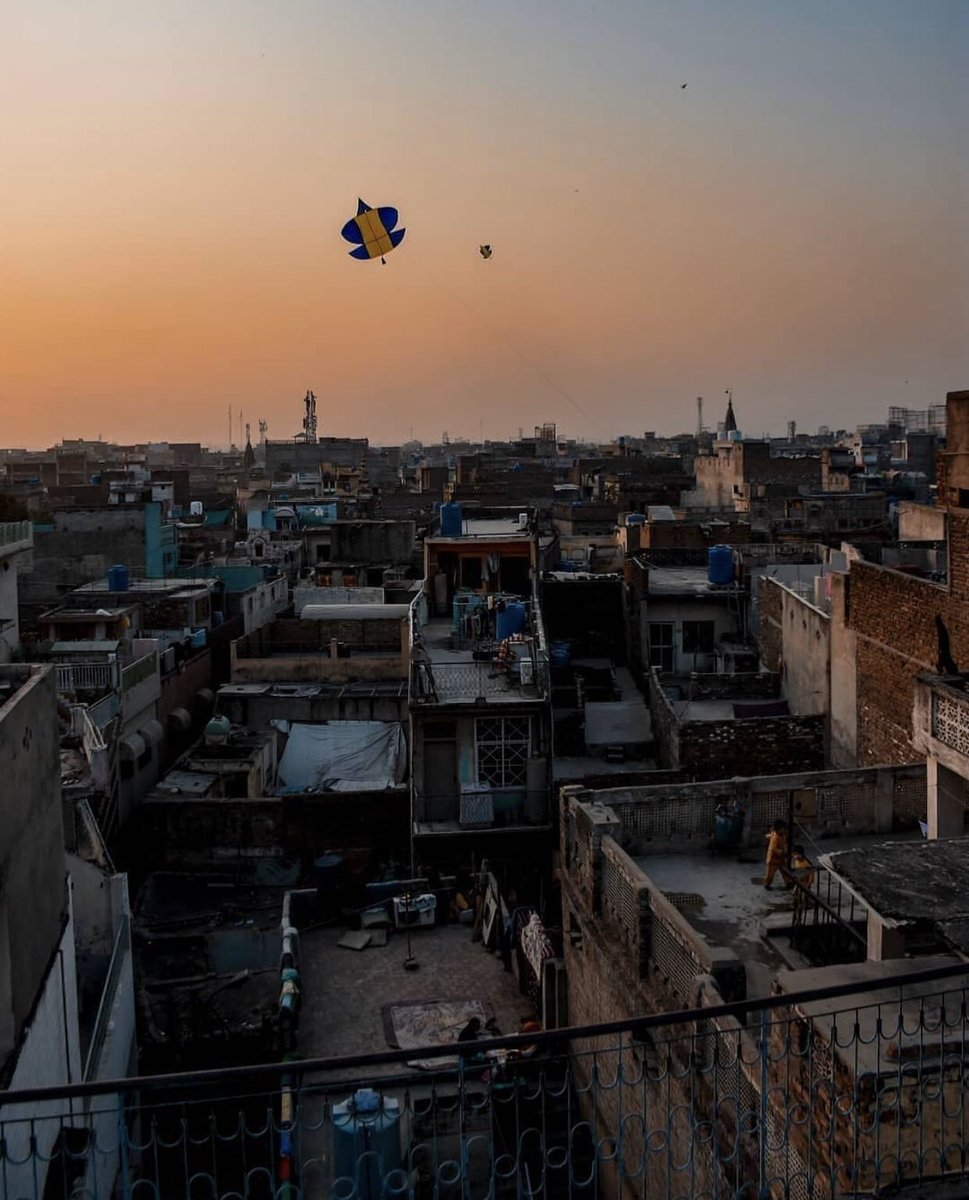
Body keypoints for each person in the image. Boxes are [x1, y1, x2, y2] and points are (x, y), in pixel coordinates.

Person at [763, 820, 789, 890]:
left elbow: (785, 844)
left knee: (785, 872)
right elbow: (773, 849)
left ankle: (788, 883)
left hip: (781, 859)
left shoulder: (783, 836)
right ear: (779, 829)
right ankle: (767, 884)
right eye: (783, 829)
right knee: (770, 874)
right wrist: (781, 852)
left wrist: (785, 851)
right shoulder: (774, 838)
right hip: (773, 860)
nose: (785, 830)